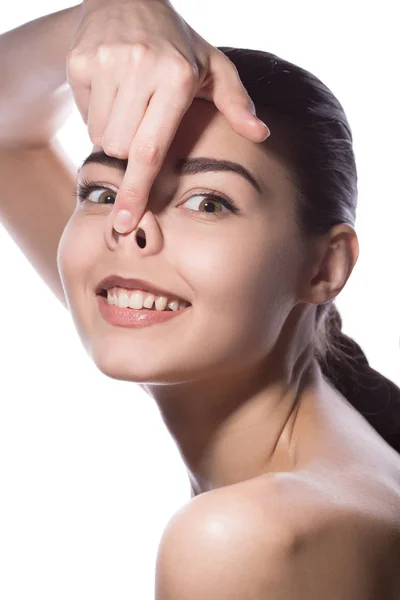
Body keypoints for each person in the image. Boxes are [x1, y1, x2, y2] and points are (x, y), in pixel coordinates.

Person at [0, 1, 399, 598]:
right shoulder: (324, 426)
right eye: (105, 190)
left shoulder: (240, 538)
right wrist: (106, 13)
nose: (129, 225)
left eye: (208, 202)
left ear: (325, 266)